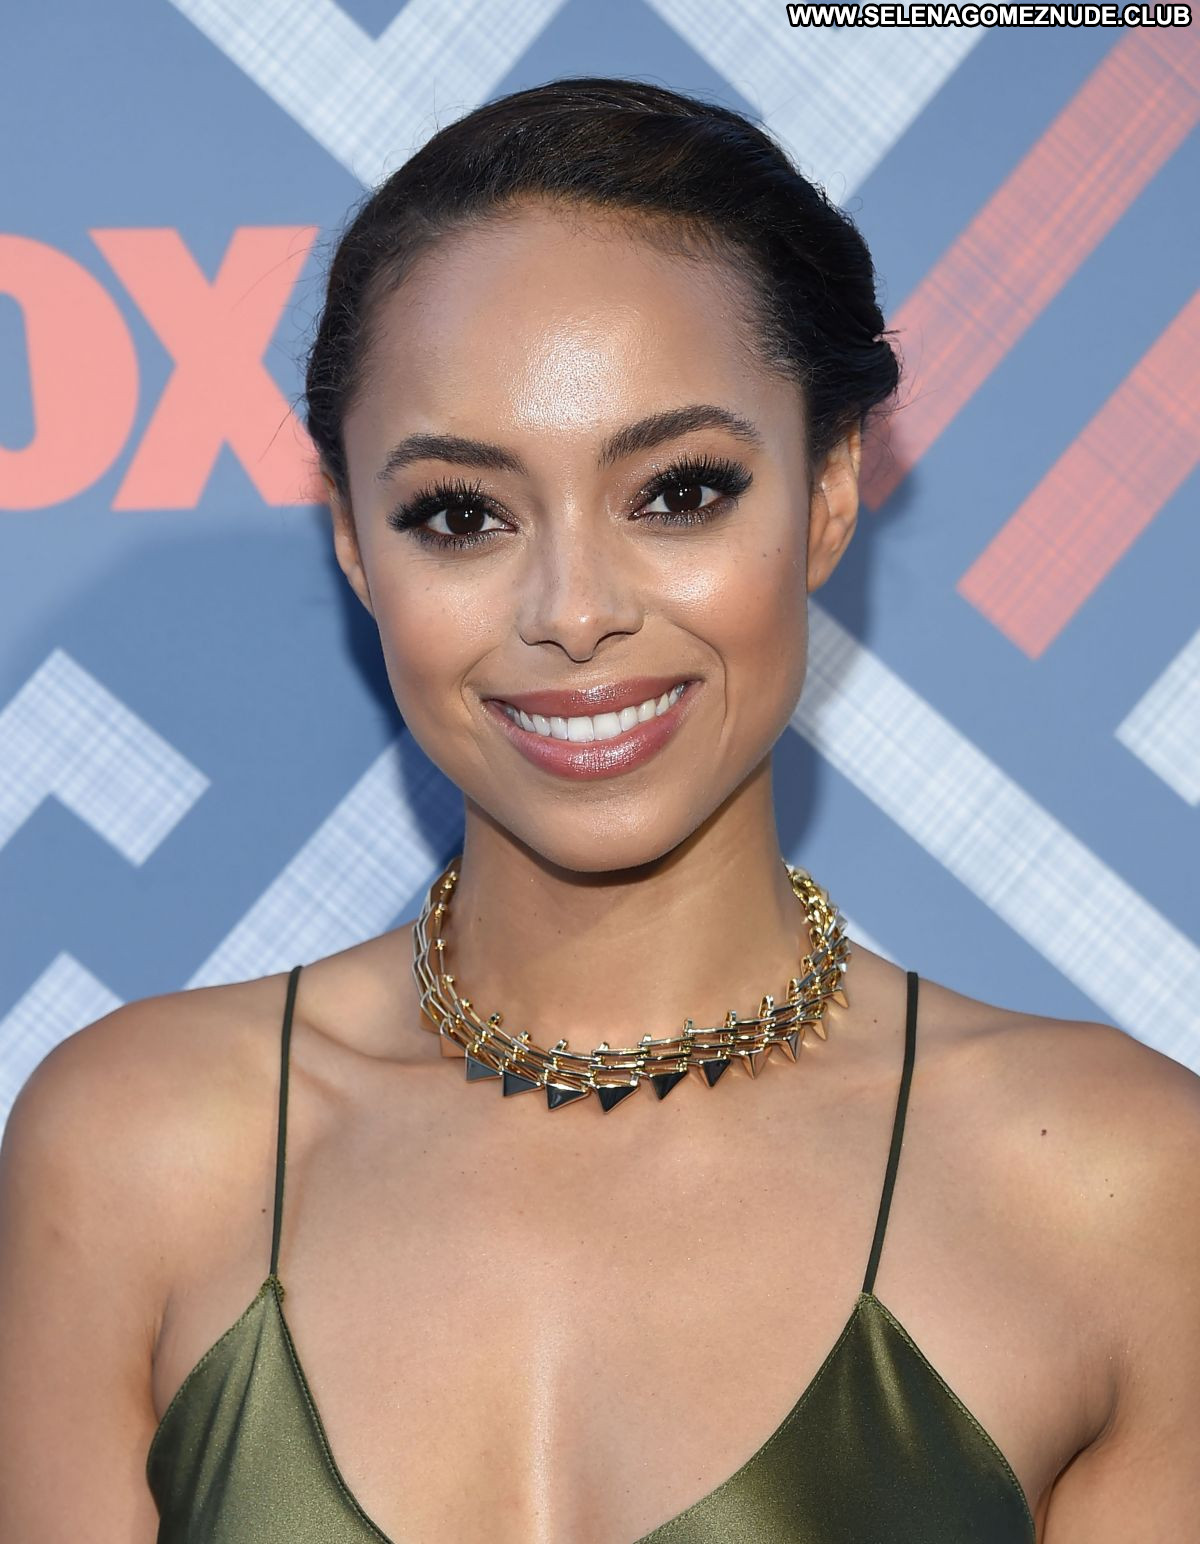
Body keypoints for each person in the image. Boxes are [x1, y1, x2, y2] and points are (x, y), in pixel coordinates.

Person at [1, 76, 1197, 1544]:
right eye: (461, 513)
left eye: (678, 492)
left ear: (829, 491)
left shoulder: (1117, 1185)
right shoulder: (137, 1148)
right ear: (355, 543)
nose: (574, 612)